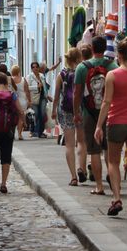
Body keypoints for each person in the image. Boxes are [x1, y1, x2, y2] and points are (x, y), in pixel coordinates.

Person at [94, 37, 127, 220]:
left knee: (113, 162)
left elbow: (106, 102)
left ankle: (117, 198)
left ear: (119, 55)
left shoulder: (113, 75)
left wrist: (99, 126)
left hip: (116, 121)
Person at [74, 37, 118, 195]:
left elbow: (77, 93)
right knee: (109, 150)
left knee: (94, 151)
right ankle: (113, 183)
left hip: (89, 113)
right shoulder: (113, 66)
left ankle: (99, 186)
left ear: (92, 48)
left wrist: (76, 112)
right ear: (105, 47)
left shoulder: (82, 68)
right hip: (109, 112)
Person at [52, 48, 84, 186]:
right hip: (81, 110)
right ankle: (82, 168)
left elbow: (57, 95)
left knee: (69, 145)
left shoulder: (61, 74)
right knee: (82, 142)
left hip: (65, 111)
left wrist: (53, 110)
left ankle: (73, 177)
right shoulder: (82, 71)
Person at [26, 62, 49, 138]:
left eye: (36, 67)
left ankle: (40, 132)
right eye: (33, 67)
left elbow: (44, 87)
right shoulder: (29, 77)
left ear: (38, 68)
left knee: (42, 114)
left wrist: (47, 96)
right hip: (34, 98)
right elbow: (27, 88)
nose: (35, 68)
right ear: (31, 69)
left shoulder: (42, 76)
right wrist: (36, 87)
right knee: (36, 114)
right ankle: (33, 130)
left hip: (42, 97)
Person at [10, 65, 31, 141]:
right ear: (19, 71)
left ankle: (12, 133)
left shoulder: (11, 80)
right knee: (21, 118)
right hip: (22, 101)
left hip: (13, 101)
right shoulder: (23, 79)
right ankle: (19, 134)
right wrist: (29, 100)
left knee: (12, 117)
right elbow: (27, 91)